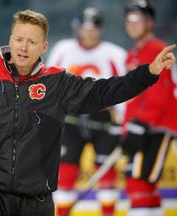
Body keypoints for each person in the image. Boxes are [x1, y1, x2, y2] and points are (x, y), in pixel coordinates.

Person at [0, 8, 177, 216]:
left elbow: (105, 91)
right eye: (19, 39)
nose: (23, 47)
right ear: (10, 39)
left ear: (44, 46)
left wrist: (149, 73)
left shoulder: (57, 83)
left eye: (32, 42)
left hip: (37, 205)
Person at [46, 7, 126, 216]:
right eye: (85, 27)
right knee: (66, 173)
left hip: (104, 120)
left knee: (106, 175)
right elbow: (50, 84)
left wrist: (123, 121)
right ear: (79, 28)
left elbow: (126, 89)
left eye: (94, 28)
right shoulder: (64, 49)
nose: (89, 32)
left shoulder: (115, 54)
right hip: (71, 119)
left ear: (100, 29)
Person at [122, 1, 177, 216]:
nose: (132, 24)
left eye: (137, 18)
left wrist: (140, 122)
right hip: (139, 126)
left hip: (157, 126)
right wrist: (126, 127)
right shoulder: (132, 54)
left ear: (150, 22)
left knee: (138, 181)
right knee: (144, 186)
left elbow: (162, 94)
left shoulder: (158, 50)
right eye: (129, 19)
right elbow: (131, 96)